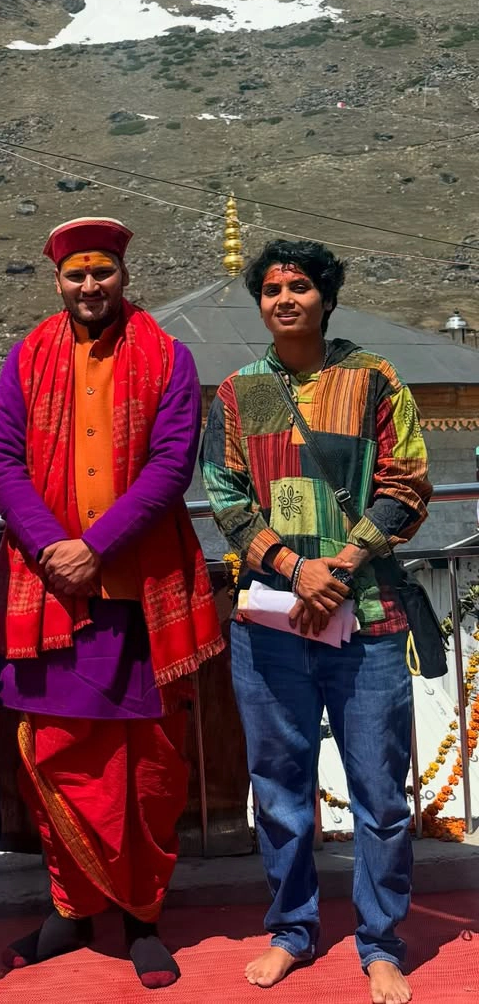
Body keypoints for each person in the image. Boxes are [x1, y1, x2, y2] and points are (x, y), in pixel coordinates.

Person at [0, 217, 223, 990]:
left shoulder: (168, 356)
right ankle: (72, 907)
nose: (90, 285)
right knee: (54, 753)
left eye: (103, 271)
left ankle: (142, 914)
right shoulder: (27, 356)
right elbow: (3, 457)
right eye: (77, 274)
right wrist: (55, 545)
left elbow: (172, 463)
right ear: (58, 280)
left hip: (137, 590)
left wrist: (97, 547)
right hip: (51, 588)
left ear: (123, 274)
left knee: (146, 763)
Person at [200, 239, 431, 1004]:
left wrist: (343, 564)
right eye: (272, 288)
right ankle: (292, 928)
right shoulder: (240, 392)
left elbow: (407, 481)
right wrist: (296, 568)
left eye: (299, 285)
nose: (285, 298)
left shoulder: (373, 378)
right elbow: (225, 492)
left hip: (368, 618)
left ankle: (381, 941)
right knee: (279, 788)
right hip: (271, 620)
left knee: (381, 795)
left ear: (325, 297)